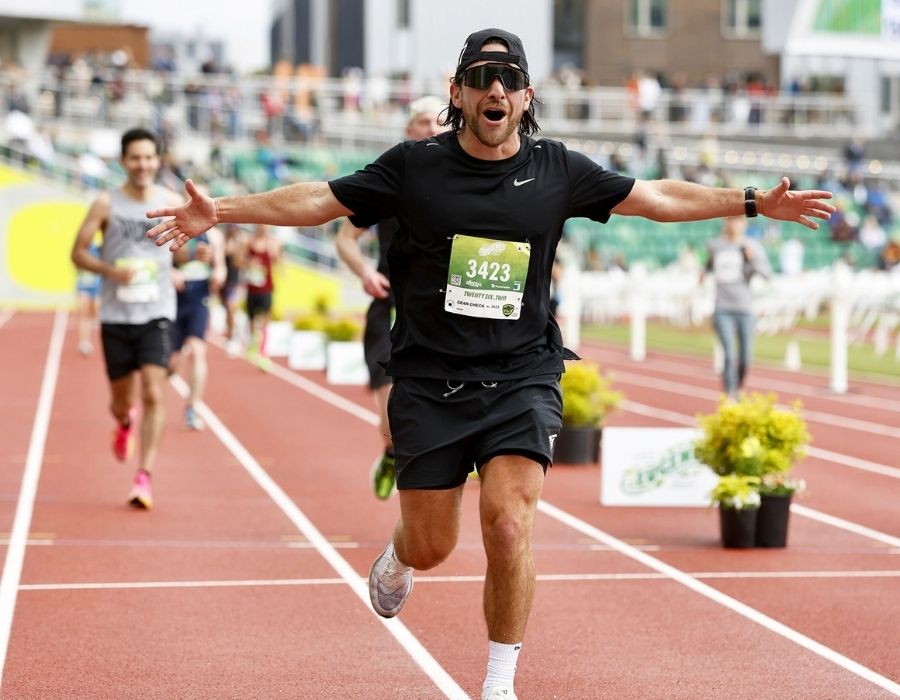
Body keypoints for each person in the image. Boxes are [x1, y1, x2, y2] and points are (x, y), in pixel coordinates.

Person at [146, 29, 833, 699]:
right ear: (459, 92)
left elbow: (652, 198)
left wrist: (751, 202)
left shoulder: (558, 169)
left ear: (528, 96)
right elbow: (319, 200)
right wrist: (224, 212)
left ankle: (500, 680)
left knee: (509, 523)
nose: (495, 90)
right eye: (480, 79)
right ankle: (399, 554)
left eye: (508, 80)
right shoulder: (414, 167)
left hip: (522, 376)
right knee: (432, 544)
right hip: (428, 381)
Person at [334, 95, 445, 500]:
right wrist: (364, 272)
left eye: (438, 122)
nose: (431, 129)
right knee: (389, 391)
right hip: (388, 300)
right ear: (408, 131)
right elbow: (345, 239)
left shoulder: (465, 182)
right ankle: (391, 451)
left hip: (440, 307)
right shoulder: (388, 182)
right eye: (422, 122)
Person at [72, 127, 183, 510]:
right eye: (135, 157)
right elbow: (78, 253)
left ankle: (144, 476)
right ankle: (123, 422)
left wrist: (190, 258)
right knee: (121, 402)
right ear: (123, 161)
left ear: (158, 160)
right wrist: (111, 271)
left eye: (149, 157)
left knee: (154, 391)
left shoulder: (170, 201)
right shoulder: (106, 203)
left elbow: (180, 250)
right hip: (117, 314)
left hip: (156, 312)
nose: (143, 164)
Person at [703, 216, 772, 399]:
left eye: (738, 220)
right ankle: (730, 395)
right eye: (731, 220)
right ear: (726, 222)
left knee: (745, 358)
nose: (734, 224)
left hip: (745, 308)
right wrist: (702, 274)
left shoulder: (752, 246)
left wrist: (752, 258)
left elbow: (766, 274)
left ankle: (738, 387)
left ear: (744, 224)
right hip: (722, 308)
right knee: (729, 355)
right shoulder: (715, 245)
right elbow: (708, 265)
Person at [169, 224, 226, 430]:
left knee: (198, 351)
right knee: (171, 365)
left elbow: (220, 266)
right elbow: (159, 260)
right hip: (173, 300)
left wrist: (219, 275)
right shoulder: (173, 231)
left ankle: (192, 408)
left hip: (199, 300)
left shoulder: (215, 236)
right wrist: (171, 271)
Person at [238, 223, 283, 370]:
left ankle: (263, 351)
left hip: (267, 288)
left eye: (266, 225)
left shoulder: (274, 244)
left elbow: (279, 263)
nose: (264, 228)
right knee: (251, 319)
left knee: (264, 319)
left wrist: (275, 257)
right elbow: (238, 261)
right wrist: (248, 263)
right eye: (261, 225)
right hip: (252, 288)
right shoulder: (249, 241)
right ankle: (252, 344)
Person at [75, 231, 103, 356]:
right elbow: (75, 263)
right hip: (84, 286)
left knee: (97, 314)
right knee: (84, 314)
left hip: (97, 286)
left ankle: (100, 341)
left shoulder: (99, 249)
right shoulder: (79, 250)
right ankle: (84, 342)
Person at [219, 224, 245, 356]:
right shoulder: (223, 240)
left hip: (234, 282)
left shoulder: (239, 242)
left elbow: (239, 263)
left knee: (230, 308)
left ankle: (233, 337)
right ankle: (232, 332)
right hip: (224, 282)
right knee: (227, 310)